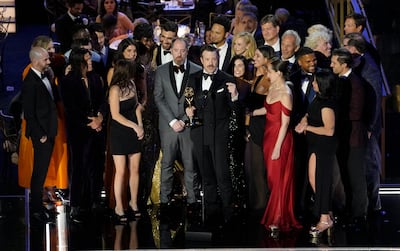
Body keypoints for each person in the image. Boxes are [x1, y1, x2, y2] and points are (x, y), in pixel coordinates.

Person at [185, 44, 239, 227]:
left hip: (219, 134)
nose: (210, 63)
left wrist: (235, 96)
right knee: (206, 176)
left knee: (222, 175)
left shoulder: (227, 79)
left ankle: (229, 215)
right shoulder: (192, 79)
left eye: (214, 59)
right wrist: (188, 110)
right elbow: (189, 101)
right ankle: (211, 214)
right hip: (199, 133)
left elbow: (236, 110)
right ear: (201, 60)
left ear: (218, 59)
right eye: (207, 59)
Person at [251, 58, 302, 234]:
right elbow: (270, 109)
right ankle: (276, 214)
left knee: (280, 179)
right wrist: (253, 112)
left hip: (280, 140)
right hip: (268, 137)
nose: (267, 74)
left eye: (270, 71)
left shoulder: (286, 93)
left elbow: (285, 124)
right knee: (272, 179)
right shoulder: (273, 88)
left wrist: (278, 148)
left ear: (279, 73)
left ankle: (279, 218)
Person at [59, 47, 108, 223]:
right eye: (87, 60)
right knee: (79, 167)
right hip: (79, 131)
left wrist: (100, 117)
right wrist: (91, 122)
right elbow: (71, 109)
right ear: (78, 62)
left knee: (97, 166)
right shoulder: (67, 81)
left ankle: (95, 201)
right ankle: (76, 205)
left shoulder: (95, 78)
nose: (90, 62)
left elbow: (103, 100)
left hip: (98, 130)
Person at [18, 36, 68, 205]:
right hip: (40, 128)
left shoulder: (48, 71)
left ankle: (49, 190)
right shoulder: (30, 76)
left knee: (50, 160)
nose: (52, 53)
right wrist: (40, 133)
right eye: (49, 50)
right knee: (39, 168)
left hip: (52, 123)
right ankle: (38, 202)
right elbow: (30, 110)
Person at [154, 37, 202, 211]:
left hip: (188, 125)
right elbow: (158, 98)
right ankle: (164, 202)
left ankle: (192, 202)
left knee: (190, 164)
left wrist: (182, 120)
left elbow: (198, 99)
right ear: (171, 51)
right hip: (168, 126)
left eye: (182, 50)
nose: (179, 54)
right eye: (176, 50)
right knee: (166, 164)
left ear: (187, 51)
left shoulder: (197, 71)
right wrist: (173, 121)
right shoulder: (160, 71)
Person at [343, 32, 383, 215]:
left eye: (346, 46)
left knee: (370, 163)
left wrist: (370, 127)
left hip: (368, 125)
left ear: (354, 48)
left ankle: (374, 204)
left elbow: (374, 99)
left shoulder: (369, 67)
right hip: (361, 125)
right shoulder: (358, 64)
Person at [295, 69, 337, 238]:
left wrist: (306, 127)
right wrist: (305, 120)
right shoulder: (317, 99)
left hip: (324, 147)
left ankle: (325, 218)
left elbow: (329, 130)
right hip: (314, 145)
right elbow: (309, 113)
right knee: (314, 180)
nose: (313, 84)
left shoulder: (327, 105)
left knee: (321, 181)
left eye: (315, 82)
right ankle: (327, 212)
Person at [330, 47, 368, 226]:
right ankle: (350, 210)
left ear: (344, 64)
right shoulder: (342, 81)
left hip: (354, 135)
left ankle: (360, 214)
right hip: (345, 135)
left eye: (334, 62)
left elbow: (356, 112)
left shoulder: (355, 83)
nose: (331, 65)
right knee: (346, 175)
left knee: (355, 176)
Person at [21, 47, 58, 224]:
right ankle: (35, 208)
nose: (48, 62)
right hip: (41, 134)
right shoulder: (30, 82)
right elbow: (29, 114)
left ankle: (39, 205)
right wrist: (40, 134)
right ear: (36, 62)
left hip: (49, 131)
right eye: (45, 60)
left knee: (41, 173)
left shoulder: (45, 76)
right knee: (38, 173)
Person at [108, 59, 144, 223]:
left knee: (135, 169)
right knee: (121, 171)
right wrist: (134, 127)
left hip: (133, 130)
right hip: (119, 131)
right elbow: (115, 115)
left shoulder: (131, 84)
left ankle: (134, 203)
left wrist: (140, 125)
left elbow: (136, 106)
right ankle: (119, 206)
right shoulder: (114, 90)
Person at [243, 45, 274, 215]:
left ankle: (262, 206)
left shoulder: (270, 80)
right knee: (250, 168)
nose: (253, 58)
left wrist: (254, 114)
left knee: (258, 169)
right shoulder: (256, 78)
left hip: (264, 127)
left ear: (267, 59)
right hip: (253, 127)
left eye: (257, 55)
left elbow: (273, 106)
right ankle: (256, 204)